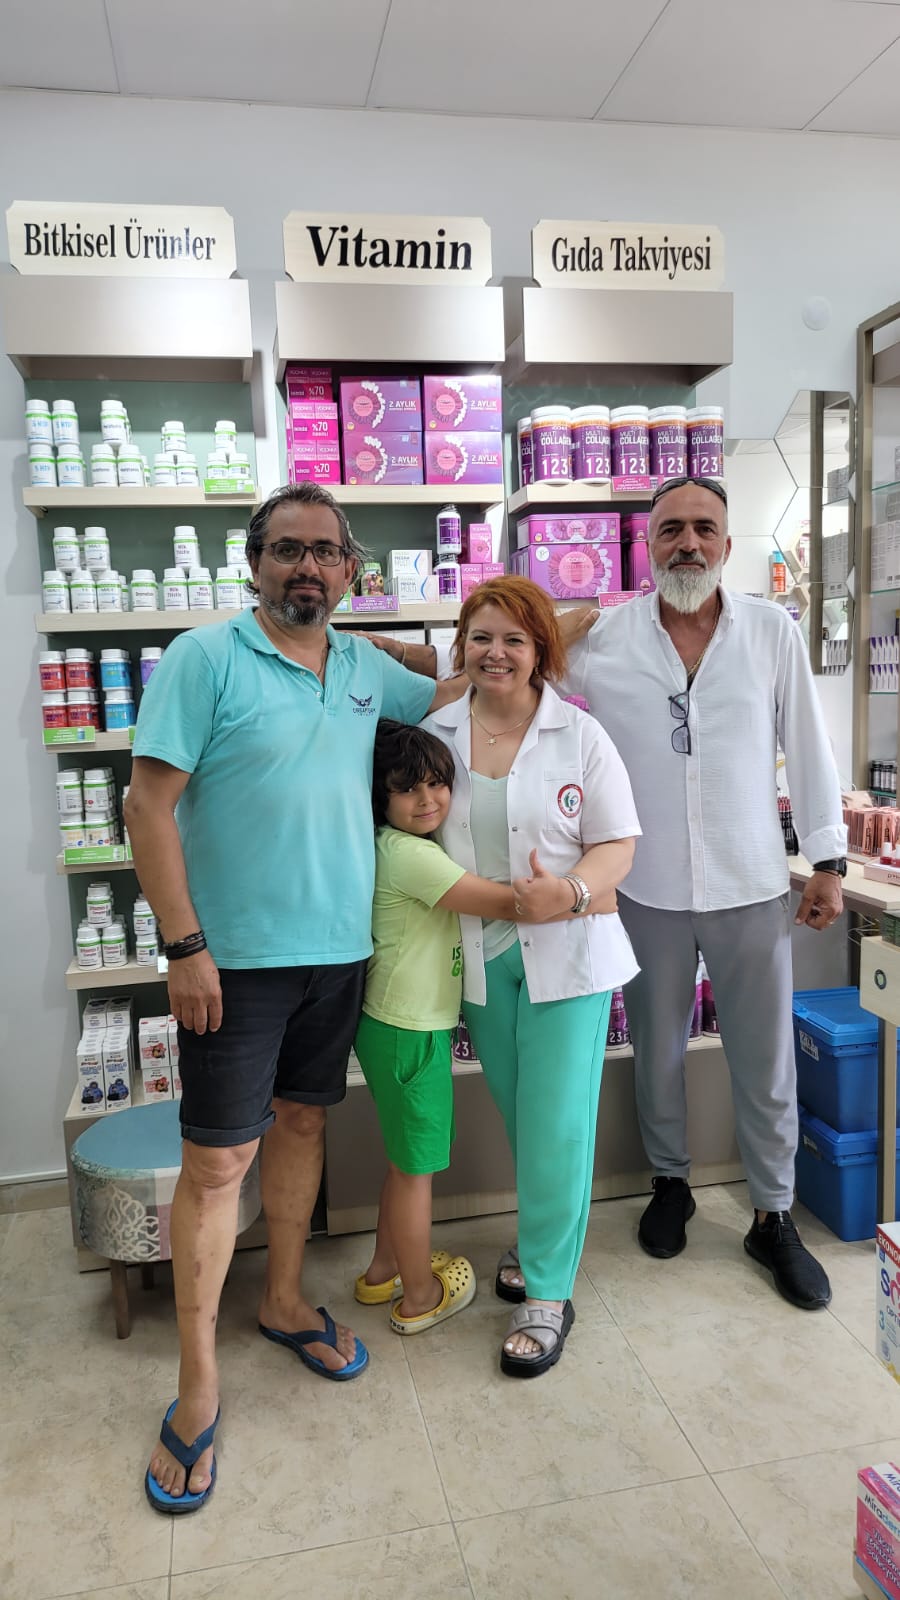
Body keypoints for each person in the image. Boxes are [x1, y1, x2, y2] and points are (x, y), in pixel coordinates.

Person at [126, 482, 465, 1514]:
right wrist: (184, 946)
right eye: (287, 550)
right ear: (255, 563)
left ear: (352, 571)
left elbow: (464, 681)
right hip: (232, 962)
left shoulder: (363, 669)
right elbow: (147, 805)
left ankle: (281, 1300)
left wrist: (523, 637)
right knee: (217, 1160)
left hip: (340, 952)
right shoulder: (204, 659)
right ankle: (197, 1383)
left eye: (325, 552)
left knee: (306, 1124)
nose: (306, 567)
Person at [560, 476, 847, 1310]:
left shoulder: (770, 630)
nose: (688, 543)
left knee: (764, 1054)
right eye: (671, 530)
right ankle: (670, 1183)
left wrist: (827, 858)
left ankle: (772, 1214)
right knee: (656, 1045)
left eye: (705, 529)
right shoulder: (604, 637)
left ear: (727, 541)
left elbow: (808, 741)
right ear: (647, 545)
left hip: (748, 876)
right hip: (643, 883)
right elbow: (504, 654)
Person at [423, 576, 641, 1377]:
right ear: (462, 647)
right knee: (523, 1117)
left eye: (515, 639)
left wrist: (574, 891)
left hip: (570, 955)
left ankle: (548, 1292)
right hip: (483, 959)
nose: (497, 653)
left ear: (541, 649)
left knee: (556, 1125)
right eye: (481, 637)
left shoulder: (580, 735)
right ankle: (539, 1235)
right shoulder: (436, 733)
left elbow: (618, 844)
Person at [354, 719, 580, 1335]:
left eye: (437, 783)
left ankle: (383, 1270)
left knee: (405, 1161)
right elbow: (502, 902)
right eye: (408, 789)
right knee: (416, 1170)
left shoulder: (399, 847)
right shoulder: (411, 857)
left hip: (398, 1026)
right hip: (409, 1030)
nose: (428, 799)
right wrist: (583, 895)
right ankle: (419, 1295)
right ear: (381, 797)